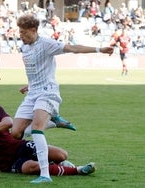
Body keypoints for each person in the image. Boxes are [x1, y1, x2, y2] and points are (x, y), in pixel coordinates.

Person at [11, 14, 113, 183]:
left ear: (34, 30)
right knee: (16, 133)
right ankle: (54, 122)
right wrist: (29, 85)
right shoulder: (25, 47)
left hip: (47, 92)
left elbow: (73, 48)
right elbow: (37, 70)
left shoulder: (46, 44)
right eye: (19, 32)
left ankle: (45, 174)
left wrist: (99, 50)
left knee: (37, 129)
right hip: (33, 93)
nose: (20, 35)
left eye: (23, 32)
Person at [0, 91, 96, 179]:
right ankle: (77, 170)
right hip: (6, 162)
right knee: (32, 167)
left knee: (62, 155)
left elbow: (9, 122)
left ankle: (58, 163)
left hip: (19, 146)